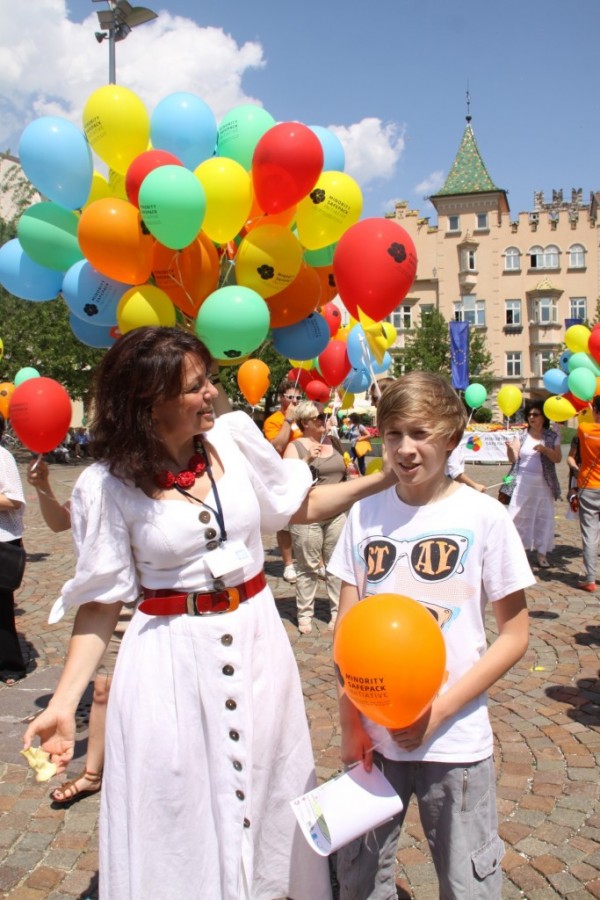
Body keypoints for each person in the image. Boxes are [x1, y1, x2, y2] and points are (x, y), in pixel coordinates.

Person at [23, 326, 396, 900]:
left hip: (257, 642)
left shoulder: (236, 436)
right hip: (169, 662)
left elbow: (297, 505)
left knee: (269, 780)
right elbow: (100, 601)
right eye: (196, 386)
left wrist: (383, 479)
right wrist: (63, 704)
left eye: (209, 381)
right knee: (178, 806)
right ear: (150, 402)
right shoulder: (106, 486)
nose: (211, 394)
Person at [328, 371, 534, 900]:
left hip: (455, 739)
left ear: (451, 437)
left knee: (467, 883)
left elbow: (515, 635)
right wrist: (350, 724)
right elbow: (347, 634)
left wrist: (437, 712)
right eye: (393, 433)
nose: (405, 448)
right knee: (360, 880)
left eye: (420, 433)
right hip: (374, 741)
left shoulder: (484, 516)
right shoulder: (364, 514)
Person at [26, 458, 127, 804]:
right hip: (113, 602)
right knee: (102, 689)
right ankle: (93, 774)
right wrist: (43, 486)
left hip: (159, 604)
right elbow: (59, 522)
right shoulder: (101, 478)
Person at [284, 401, 347, 634]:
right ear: (305, 422)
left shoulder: (334, 442)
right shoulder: (295, 447)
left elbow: (344, 471)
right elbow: (286, 480)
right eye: (318, 417)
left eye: (324, 416)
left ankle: (338, 613)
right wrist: (307, 461)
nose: (324, 420)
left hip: (337, 513)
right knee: (307, 567)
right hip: (308, 515)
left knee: (337, 566)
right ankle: (304, 614)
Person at [505, 400, 561, 568]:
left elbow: (558, 458)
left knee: (543, 517)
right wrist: (509, 448)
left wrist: (545, 450)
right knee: (517, 516)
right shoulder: (522, 435)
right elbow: (513, 458)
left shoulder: (551, 436)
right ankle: (517, 552)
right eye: (529, 414)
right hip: (522, 482)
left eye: (535, 414)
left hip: (544, 483)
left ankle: (542, 553)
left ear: (543, 417)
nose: (531, 417)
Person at [263, 377, 304, 583]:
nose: (295, 401)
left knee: (310, 519)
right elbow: (277, 446)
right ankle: (288, 564)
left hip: (303, 473)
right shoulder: (273, 420)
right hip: (282, 476)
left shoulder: (304, 418)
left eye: (298, 398)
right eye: (290, 397)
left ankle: (316, 562)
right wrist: (288, 420)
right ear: (281, 397)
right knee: (285, 523)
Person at [0, 412, 27, 685]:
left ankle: (10, 665)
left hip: (2, 540)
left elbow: (14, 500)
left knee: (2, 607)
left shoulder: (3, 457)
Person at [573, 395, 600, 591]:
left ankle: (590, 578)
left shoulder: (584, 429)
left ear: (595, 411)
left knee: (590, 533)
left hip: (589, 485)